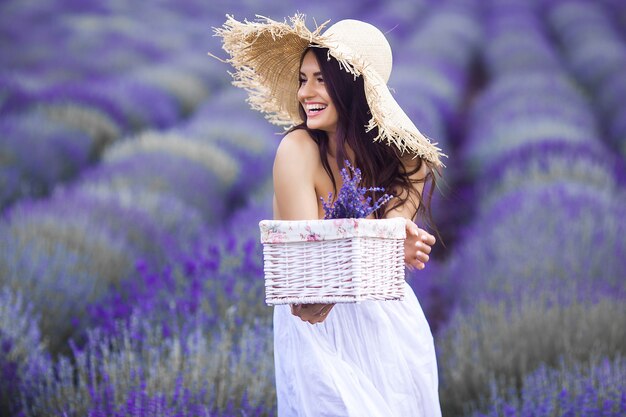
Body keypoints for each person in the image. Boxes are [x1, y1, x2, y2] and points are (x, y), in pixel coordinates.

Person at [214, 14, 444, 417]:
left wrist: (394, 239)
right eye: (303, 79)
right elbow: (310, 283)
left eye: (321, 79)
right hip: (318, 333)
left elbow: (390, 239)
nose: (306, 93)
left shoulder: (406, 161)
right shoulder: (297, 151)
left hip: (388, 327)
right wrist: (385, 245)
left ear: (353, 87)